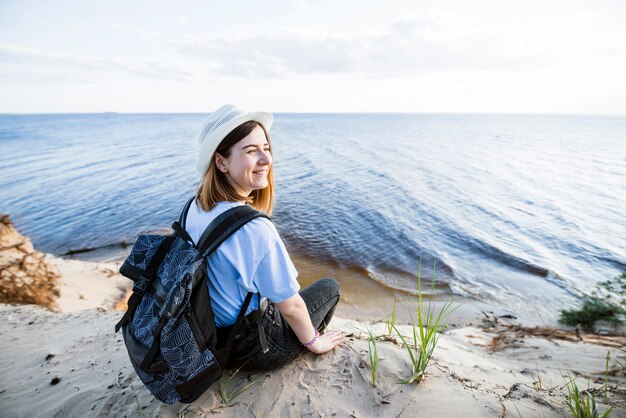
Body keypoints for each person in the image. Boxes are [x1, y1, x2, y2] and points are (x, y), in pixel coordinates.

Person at [184, 104, 343, 371]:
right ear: (221, 162)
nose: (266, 160)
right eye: (250, 151)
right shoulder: (253, 228)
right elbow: (290, 305)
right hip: (252, 349)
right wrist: (314, 342)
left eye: (266, 148)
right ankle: (307, 342)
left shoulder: (194, 207)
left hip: (208, 335)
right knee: (330, 287)